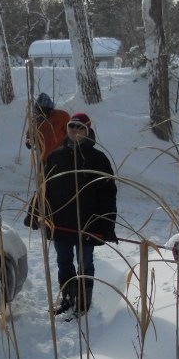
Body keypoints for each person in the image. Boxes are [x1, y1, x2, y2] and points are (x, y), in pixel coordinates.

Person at [43, 112, 118, 315]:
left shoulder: (98, 159)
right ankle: (68, 298)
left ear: (87, 130)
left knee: (85, 263)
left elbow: (108, 193)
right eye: (71, 126)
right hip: (61, 222)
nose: (75, 130)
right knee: (63, 262)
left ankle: (83, 302)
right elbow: (45, 188)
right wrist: (39, 214)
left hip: (88, 223)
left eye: (79, 127)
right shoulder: (55, 156)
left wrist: (107, 224)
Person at [25, 92, 69, 162]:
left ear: (49, 109)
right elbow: (29, 135)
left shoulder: (62, 116)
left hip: (62, 158)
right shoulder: (36, 120)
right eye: (38, 110)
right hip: (44, 160)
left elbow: (71, 133)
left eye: (42, 110)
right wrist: (29, 141)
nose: (40, 113)